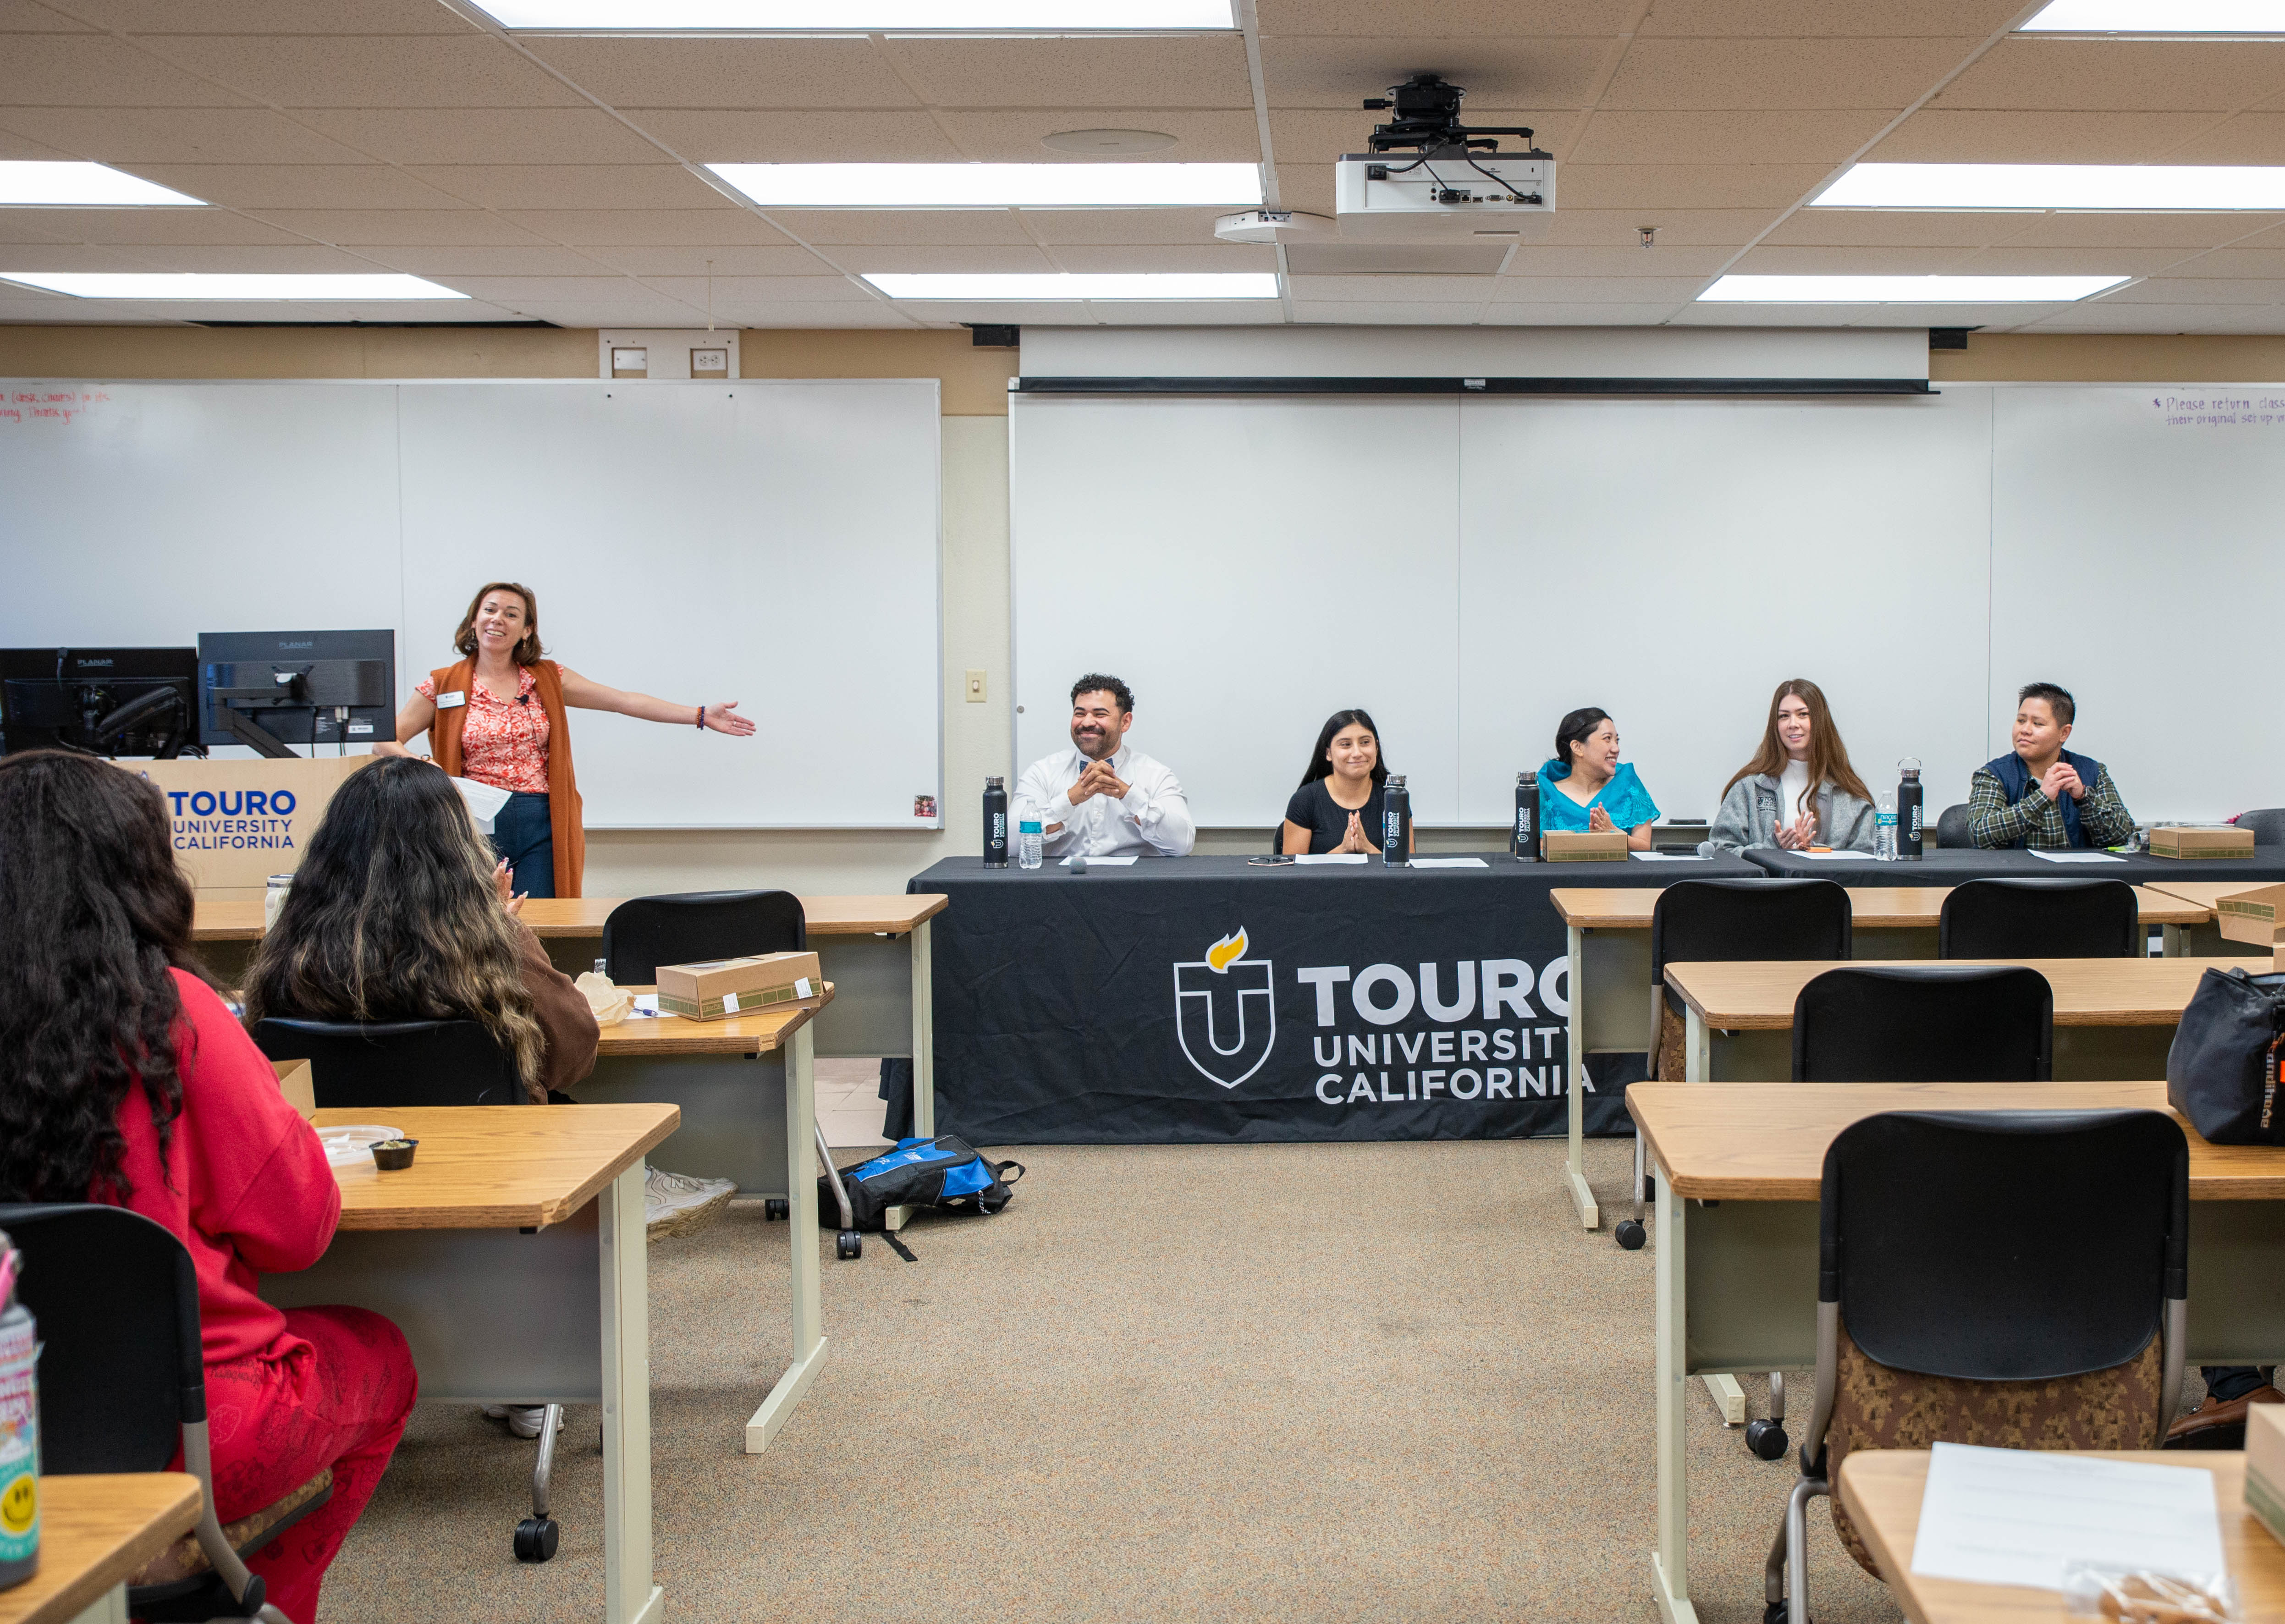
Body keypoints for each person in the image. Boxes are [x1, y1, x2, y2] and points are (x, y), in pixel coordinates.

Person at [0, 751, 416, 1624]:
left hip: (12, 1438)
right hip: (183, 1430)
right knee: (379, 1354)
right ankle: (256, 1601)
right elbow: (299, 1229)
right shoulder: (172, 1012)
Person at [241, 757, 729, 1435]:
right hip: (495, 1186)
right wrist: (510, 929)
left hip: (338, 1192)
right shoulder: (489, 944)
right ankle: (525, 1368)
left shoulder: (287, 953)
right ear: (458, 851)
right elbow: (570, 1056)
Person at [376, 580, 757, 899]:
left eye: (512, 614)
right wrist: (423, 766)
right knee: (476, 923)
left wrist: (700, 715)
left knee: (540, 924)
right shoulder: (443, 683)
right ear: (474, 620)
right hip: (473, 820)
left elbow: (622, 701)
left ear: (526, 630)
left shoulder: (546, 678)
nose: (499, 619)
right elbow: (384, 741)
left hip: (542, 820)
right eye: (490, 610)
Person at [1014, 673, 1195, 859]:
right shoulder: (1042, 772)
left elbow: (1183, 845)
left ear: (1125, 722)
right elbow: (1010, 843)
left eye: (1100, 714)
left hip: (1134, 884)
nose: (1087, 722)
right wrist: (1070, 799)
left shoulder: (1156, 775)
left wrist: (1127, 794)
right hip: (1057, 885)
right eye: (1080, 713)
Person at [1703, 679, 1878, 854]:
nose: (1793, 724)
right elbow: (1720, 851)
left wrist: (1811, 850)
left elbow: (1866, 862)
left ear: (1820, 721)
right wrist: (1772, 848)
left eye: (1803, 714)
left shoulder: (1851, 796)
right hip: (1769, 882)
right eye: (1784, 716)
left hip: (1828, 883)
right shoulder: (1748, 788)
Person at [1968, 681, 2135, 850]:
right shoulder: (1993, 774)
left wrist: (2084, 797)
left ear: (2064, 733)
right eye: (2021, 720)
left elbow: (2122, 835)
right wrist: (2043, 797)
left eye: (2038, 724)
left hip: (2079, 875)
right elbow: (1980, 833)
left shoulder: (2092, 771)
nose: (2025, 730)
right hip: (2016, 876)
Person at [1281, 708, 1413, 856]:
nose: (1357, 753)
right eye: (1345, 745)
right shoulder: (1305, 800)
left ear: (1376, 748)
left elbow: (1407, 870)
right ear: (1329, 753)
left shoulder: (1395, 799)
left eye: (1365, 743)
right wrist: (1343, 850)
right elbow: (1293, 874)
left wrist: (1368, 849)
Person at [1539, 707, 1658, 851]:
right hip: (1563, 873)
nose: (1616, 749)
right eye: (1607, 739)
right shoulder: (1544, 792)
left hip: (1619, 873)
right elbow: (1531, 847)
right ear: (1578, 748)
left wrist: (1612, 832)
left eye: (1617, 741)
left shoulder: (1629, 783)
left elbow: (1644, 846)